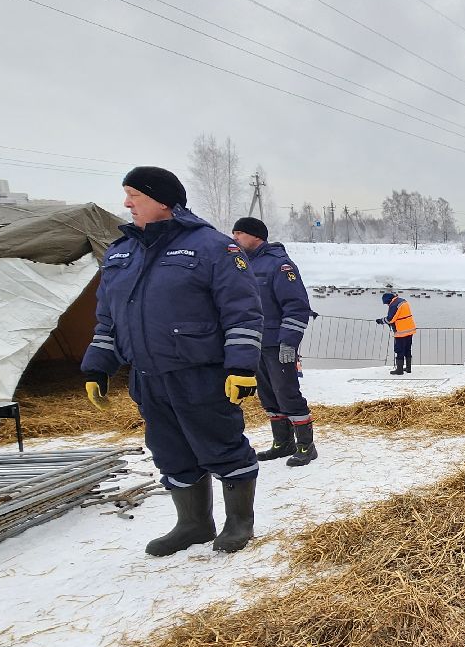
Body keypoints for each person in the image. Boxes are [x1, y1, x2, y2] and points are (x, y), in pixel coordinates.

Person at [81, 167, 264, 556]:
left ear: (163, 200)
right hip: (148, 377)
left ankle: (238, 522)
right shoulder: (120, 253)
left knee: (221, 446)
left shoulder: (213, 247)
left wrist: (242, 367)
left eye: (135, 195)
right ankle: (193, 523)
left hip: (199, 373)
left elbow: (243, 312)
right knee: (169, 451)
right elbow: (109, 319)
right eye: (126, 194)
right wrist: (97, 366)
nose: (127, 203)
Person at [230, 216, 317, 467]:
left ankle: (306, 446)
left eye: (239, 233)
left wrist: (289, 342)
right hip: (252, 343)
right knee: (268, 396)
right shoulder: (240, 263)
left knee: (287, 393)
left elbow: (297, 307)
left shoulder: (279, 265)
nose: (234, 238)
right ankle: (282, 443)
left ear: (256, 235)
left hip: (277, 344)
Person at [376, 291, 416, 373]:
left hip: (401, 331)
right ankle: (408, 368)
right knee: (407, 349)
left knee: (399, 350)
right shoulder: (402, 301)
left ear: (388, 300)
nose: (387, 305)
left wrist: (380, 321)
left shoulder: (394, 305)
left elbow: (390, 319)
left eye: (386, 303)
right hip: (410, 329)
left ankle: (399, 370)